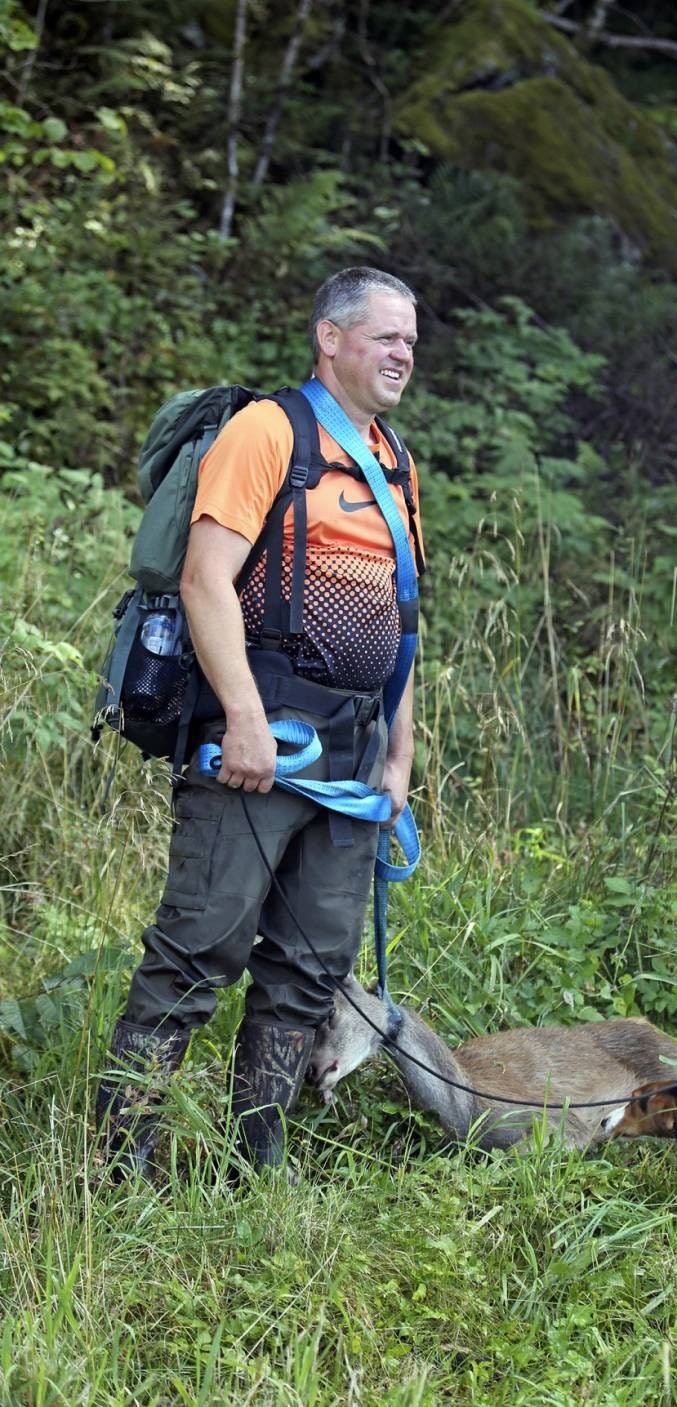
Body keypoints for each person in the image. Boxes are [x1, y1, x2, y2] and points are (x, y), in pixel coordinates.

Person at [95, 266, 423, 1180]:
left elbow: (405, 621)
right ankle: (121, 1163)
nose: (404, 354)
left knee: (309, 968)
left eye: (410, 340)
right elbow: (206, 579)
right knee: (197, 953)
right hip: (257, 746)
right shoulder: (269, 432)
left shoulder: (394, 459)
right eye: (386, 337)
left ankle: (258, 1160)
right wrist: (239, 715)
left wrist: (400, 753)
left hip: (355, 764)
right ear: (331, 337)